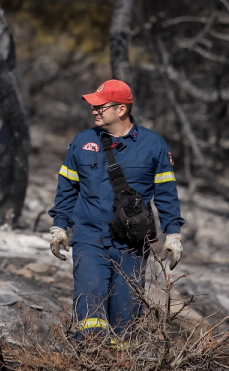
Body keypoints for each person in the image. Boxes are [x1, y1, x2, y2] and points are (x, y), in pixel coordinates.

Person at [48, 79, 185, 342]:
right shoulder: (83, 141)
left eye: (100, 106)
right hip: (89, 238)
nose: (94, 111)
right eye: (93, 106)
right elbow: (66, 188)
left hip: (132, 246)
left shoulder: (153, 145)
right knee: (90, 302)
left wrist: (173, 234)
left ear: (121, 110)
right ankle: (88, 363)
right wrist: (59, 226)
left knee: (125, 318)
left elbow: (167, 194)